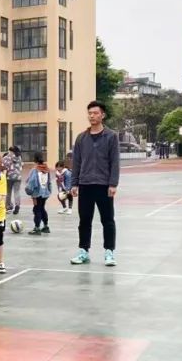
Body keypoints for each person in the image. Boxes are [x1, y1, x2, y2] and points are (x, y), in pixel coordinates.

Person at [69, 100, 120, 266]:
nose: (92, 116)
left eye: (95, 113)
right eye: (90, 113)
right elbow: (76, 162)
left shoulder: (111, 136)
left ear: (102, 115)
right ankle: (84, 251)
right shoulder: (81, 138)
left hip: (104, 185)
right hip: (85, 185)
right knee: (84, 220)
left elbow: (115, 162)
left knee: (107, 220)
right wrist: (74, 184)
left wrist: (113, 184)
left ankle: (109, 252)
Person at [25, 152, 53, 235]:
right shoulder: (46, 169)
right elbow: (49, 181)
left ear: (34, 159)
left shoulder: (35, 170)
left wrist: (28, 190)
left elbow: (32, 181)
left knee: (37, 209)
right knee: (42, 208)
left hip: (37, 193)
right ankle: (45, 226)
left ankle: (37, 228)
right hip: (45, 192)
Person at [1, 145, 23, 214]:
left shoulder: (6, 157)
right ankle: (17, 204)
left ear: (10, 151)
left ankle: (8, 206)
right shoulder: (19, 157)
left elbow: (3, 166)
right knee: (17, 191)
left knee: (8, 192)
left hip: (9, 177)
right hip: (18, 177)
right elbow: (22, 165)